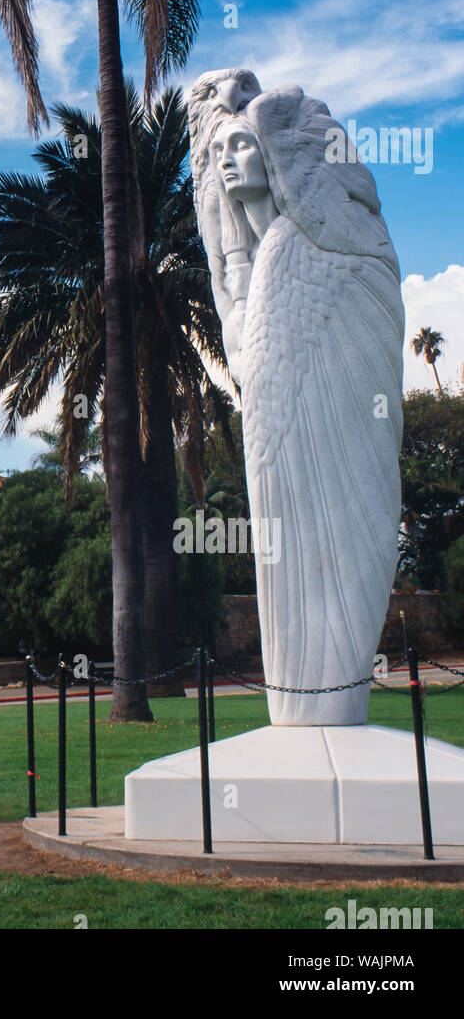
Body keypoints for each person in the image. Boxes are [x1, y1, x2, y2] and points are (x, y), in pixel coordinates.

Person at [189, 69, 404, 727]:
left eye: (243, 146)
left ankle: (320, 690)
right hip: (287, 466)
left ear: (277, 153)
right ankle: (308, 695)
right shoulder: (266, 260)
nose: (229, 160)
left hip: (313, 457)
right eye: (219, 150)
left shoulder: (295, 247)